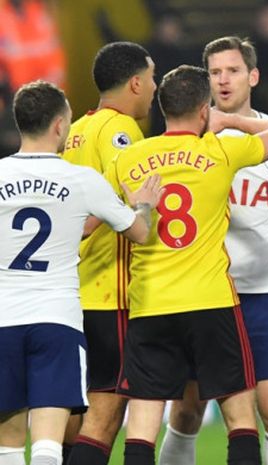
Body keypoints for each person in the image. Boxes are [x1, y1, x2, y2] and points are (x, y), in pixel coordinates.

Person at [158, 36, 268, 465]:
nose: (223, 80)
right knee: (187, 412)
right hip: (200, 293)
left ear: (252, 76)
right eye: (215, 72)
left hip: (261, 292)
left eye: (233, 71)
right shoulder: (186, 136)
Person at [108, 65, 268, 465]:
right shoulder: (219, 151)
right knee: (239, 416)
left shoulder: (130, 158)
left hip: (151, 304)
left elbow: (101, 218)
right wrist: (228, 120)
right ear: (203, 109)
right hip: (211, 302)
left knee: (142, 420)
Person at [0, 81, 160, 465]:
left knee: (7, 447)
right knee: (48, 448)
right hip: (56, 322)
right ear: (58, 125)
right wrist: (144, 206)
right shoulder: (82, 180)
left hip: (4, 319)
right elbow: (139, 234)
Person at [60, 41, 157, 465]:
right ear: (136, 82)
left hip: (74, 290)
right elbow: (123, 190)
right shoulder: (122, 131)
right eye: (152, 79)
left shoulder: (77, 128)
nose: (154, 89)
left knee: (73, 414)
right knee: (106, 412)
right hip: (110, 291)